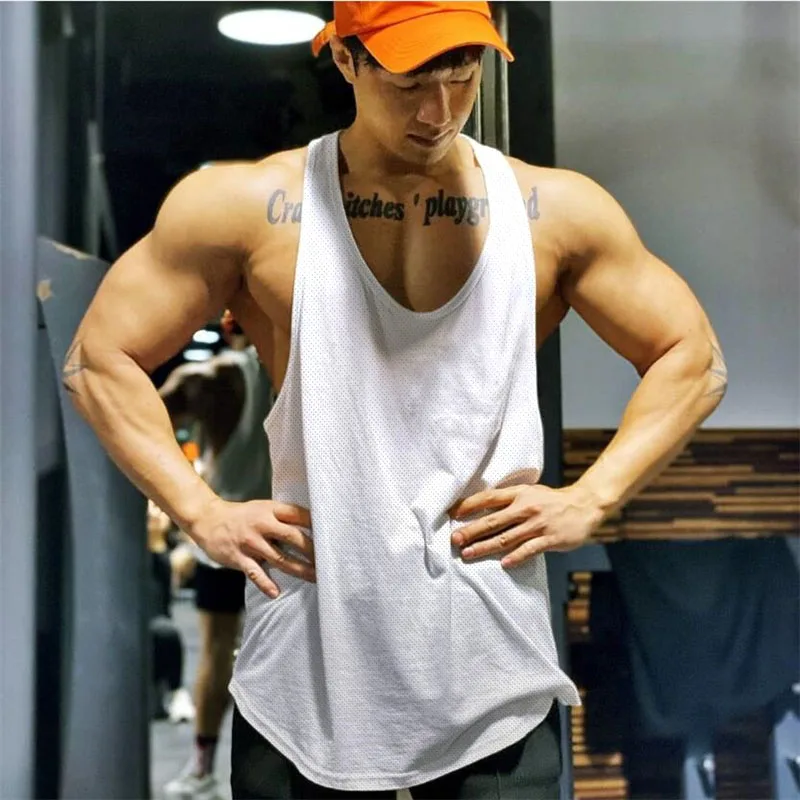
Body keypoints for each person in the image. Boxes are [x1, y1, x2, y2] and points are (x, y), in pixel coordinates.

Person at [63, 2, 728, 797]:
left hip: (491, 674)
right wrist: (200, 513)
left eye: (462, 76)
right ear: (346, 60)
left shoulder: (554, 213)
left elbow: (694, 359)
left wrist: (593, 499)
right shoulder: (248, 208)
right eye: (410, 82)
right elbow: (97, 360)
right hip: (307, 668)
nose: (439, 111)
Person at [157, 312, 274, 799]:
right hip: (288, 535)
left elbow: (139, 423)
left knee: (215, 652)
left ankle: (203, 768)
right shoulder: (310, 369)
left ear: (230, 324)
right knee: (291, 657)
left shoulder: (212, 375)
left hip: (230, 534)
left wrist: (190, 505)